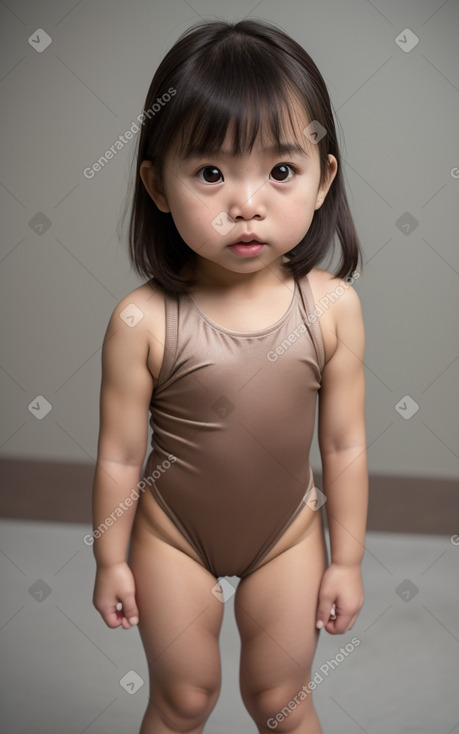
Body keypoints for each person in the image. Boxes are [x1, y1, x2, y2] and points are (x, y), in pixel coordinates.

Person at [91, 18, 368, 734]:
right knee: (183, 700)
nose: (244, 203)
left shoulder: (332, 309)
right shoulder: (142, 320)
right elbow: (120, 455)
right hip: (171, 532)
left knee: (280, 700)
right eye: (210, 172)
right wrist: (110, 560)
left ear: (320, 180)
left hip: (286, 534)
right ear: (156, 183)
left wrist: (348, 561)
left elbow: (343, 447)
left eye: (280, 171)